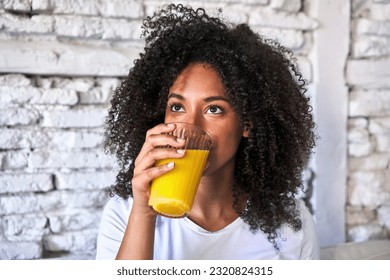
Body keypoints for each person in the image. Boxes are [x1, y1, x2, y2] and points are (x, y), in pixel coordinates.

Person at [96, 3, 319, 260]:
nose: (190, 126)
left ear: (247, 124)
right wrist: (143, 214)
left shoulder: (292, 225)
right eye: (177, 106)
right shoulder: (125, 213)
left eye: (213, 109)